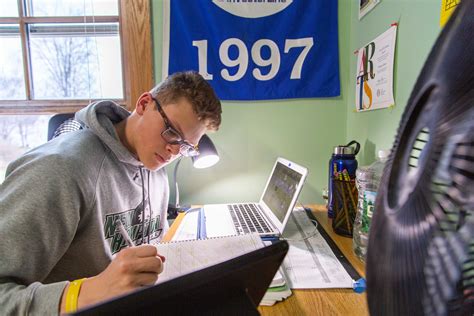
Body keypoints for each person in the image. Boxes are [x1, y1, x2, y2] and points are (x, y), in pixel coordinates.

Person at [0, 71, 222, 315]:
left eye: (186, 146)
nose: (173, 150)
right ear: (144, 104)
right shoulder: (60, 169)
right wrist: (90, 291)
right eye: (171, 131)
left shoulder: (155, 169)